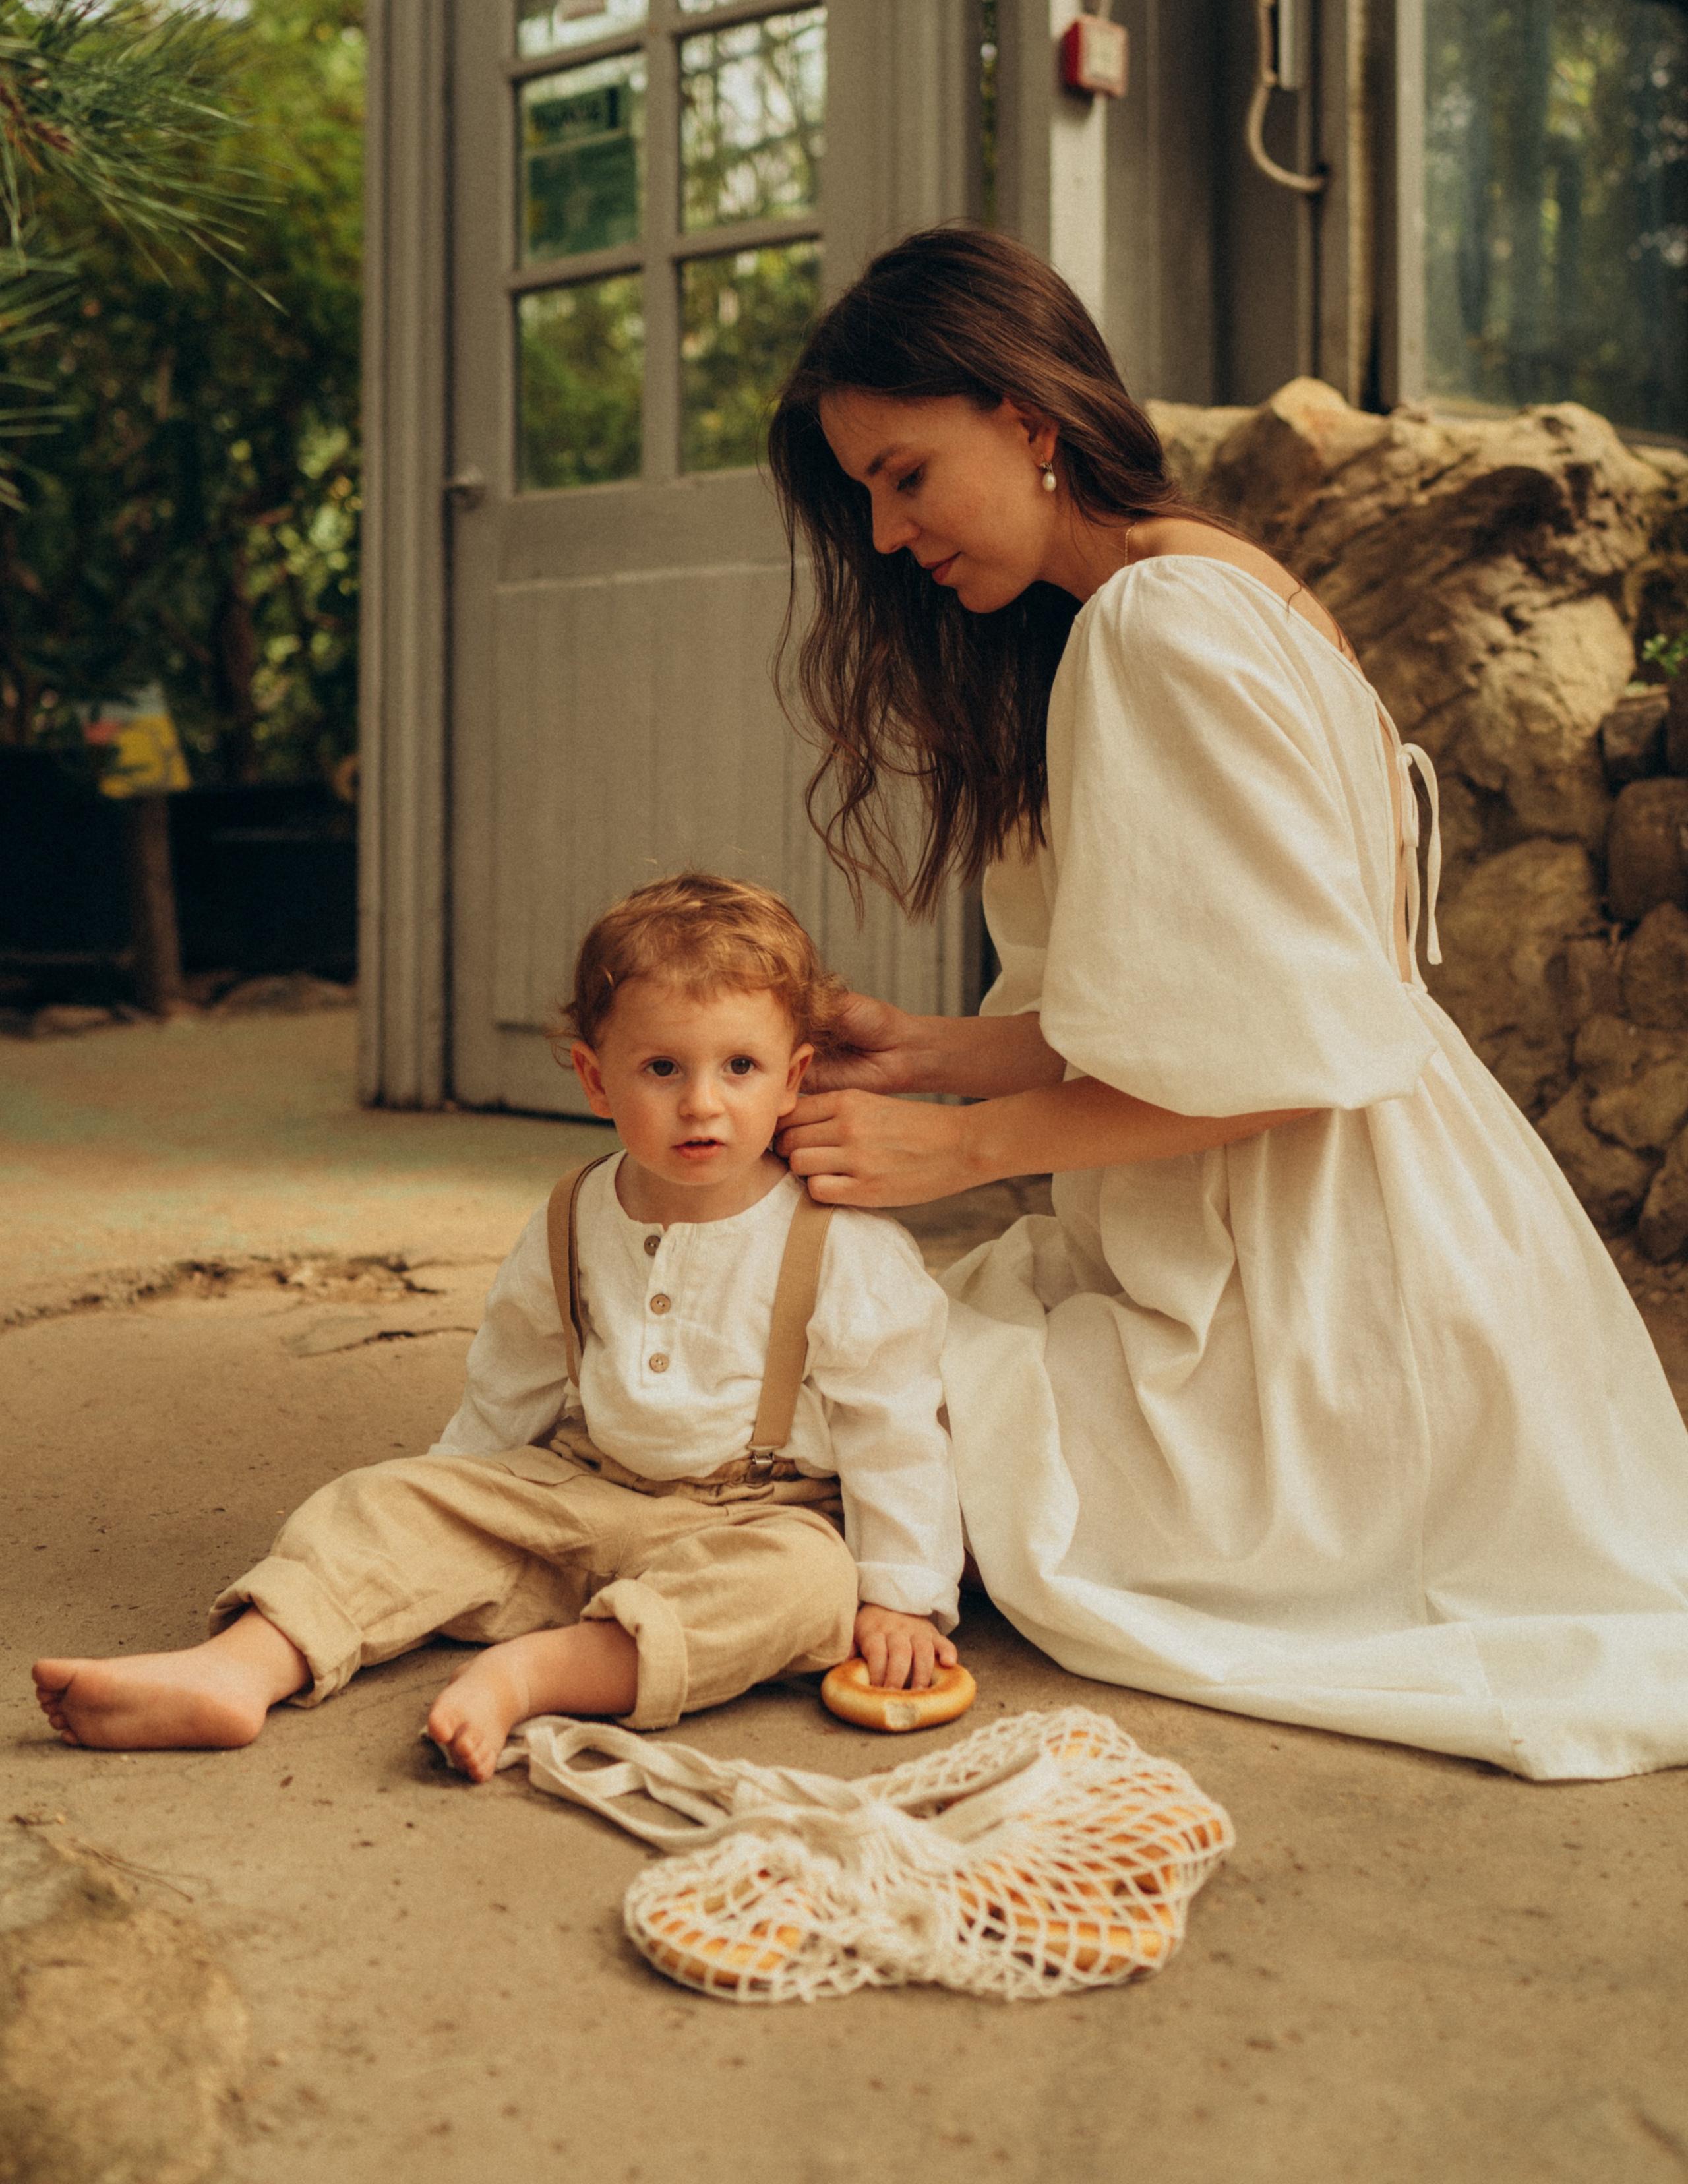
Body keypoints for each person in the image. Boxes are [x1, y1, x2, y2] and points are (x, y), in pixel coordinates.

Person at [765, 222, 1688, 1784]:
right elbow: (1181, 997)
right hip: (1386, 1233)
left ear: (1026, 418)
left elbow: (1278, 1056)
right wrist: (926, 1053)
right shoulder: (1210, 590)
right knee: (880, 1374)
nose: (882, 530)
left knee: (850, 1409)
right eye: (861, 493)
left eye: (904, 474)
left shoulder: (1153, 625)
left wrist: (956, 1148)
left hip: (1325, 1297)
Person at [34, 875, 963, 1781]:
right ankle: (243, 1666)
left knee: (804, 1590)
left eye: (741, 1067)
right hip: (580, 1482)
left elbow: (892, 1421)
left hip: (758, 1513)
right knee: (384, 1501)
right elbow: (510, 1377)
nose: (703, 1103)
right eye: (662, 1068)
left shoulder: (837, 1239)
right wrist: (459, 1503)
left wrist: (904, 1596)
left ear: (794, 1076)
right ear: (596, 1078)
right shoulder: (572, 1213)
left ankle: (536, 1674)